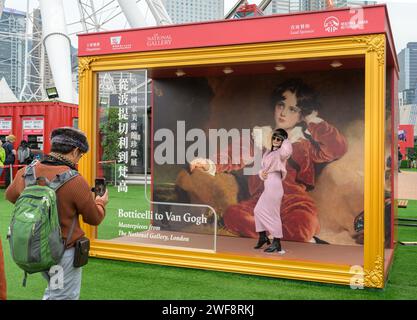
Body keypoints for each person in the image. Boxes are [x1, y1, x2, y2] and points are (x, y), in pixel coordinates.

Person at [190, 78, 348, 242]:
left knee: (305, 221)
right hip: (260, 201)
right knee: (233, 215)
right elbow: (235, 154)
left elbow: (337, 148)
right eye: (281, 105)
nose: (283, 113)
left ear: (302, 115)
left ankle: (281, 236)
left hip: (294, 201)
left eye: (292, 109)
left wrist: (312, 121)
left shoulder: (305, 143)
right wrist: (211, 163)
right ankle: (275, 236)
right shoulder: (260, 136)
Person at [5, 127, 108, 300]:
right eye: (80, 155)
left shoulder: (26, 172)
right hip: (62, 253)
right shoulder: (75, 180)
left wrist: (37, 210)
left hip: (35, 248)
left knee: (55, 292)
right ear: (75, 151)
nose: (79, 159)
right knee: (62, 296)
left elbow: (10, 195)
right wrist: (100, 202)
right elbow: (94, 218)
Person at [254, 128, 292, 253]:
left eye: (279, 139)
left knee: (273, 214)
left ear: (283, 141)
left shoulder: (282, 152)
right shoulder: (268, 152)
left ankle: (277, 242)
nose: (275, 140)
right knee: (257, 210)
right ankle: (263, 237)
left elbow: (287, 151)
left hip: (274, 185)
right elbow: (263, 168)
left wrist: (285, 138)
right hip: (268, 183)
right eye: (274, 138)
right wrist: (261, 173)